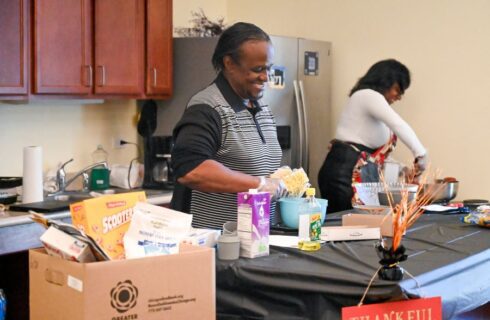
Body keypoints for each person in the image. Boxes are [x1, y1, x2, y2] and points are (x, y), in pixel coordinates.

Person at [170, 22, 287, 229]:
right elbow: (191, 169)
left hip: (259, 238)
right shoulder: (207, 108)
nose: (265, 77)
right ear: (229, 64)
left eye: (268, 68)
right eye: (257, 69)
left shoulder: (261, 106)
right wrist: (258, 185)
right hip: (219, 243)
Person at [318, 59, 428, 213]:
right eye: (398, 89)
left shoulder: (373, 107)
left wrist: (403, 170)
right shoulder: (367, 95)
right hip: (343, 173)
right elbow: (399, 125)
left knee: (354, 228)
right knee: (346, 226)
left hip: (351, 171)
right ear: (384, 81)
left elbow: (374, 155)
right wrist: (421, 154)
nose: (399, 97)